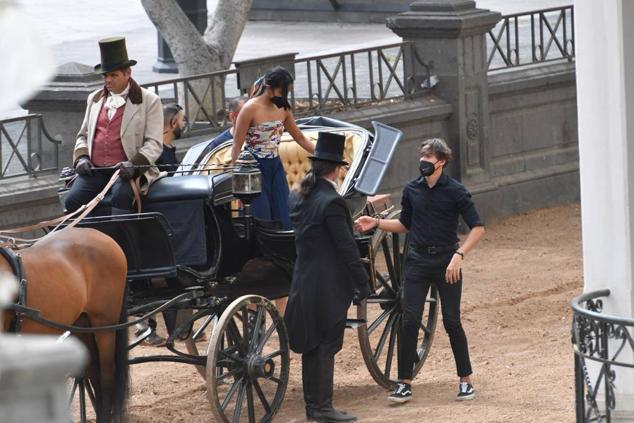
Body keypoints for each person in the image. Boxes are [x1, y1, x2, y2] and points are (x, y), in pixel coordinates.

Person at [355, 138, 485, 403]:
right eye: (422, 157)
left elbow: (478, 228)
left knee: (452, 322)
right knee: (410, 320)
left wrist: (459, 255)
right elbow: (404, 225)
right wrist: (376, 222)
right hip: (416, 262)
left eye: (429, 158)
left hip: (447, 263)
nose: (423, 162)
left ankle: (465, 380)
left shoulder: (456, 191)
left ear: (442, 162)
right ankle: (404, 383)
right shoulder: (412, 189)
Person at [285, 132, 369, 423]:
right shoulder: (332, 201)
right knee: (325, 344)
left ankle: (316, 407)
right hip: (328, 284)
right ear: (336, 168)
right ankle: (322, 408)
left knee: (313, 344)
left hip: (303, 279)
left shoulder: (299, 195)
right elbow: (347, 248)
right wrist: (363, 283)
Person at [64, 36, 163, 214]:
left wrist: (133, 165)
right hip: (95, 172)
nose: (108, 80)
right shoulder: (94, 99)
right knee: (72, 200)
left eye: (113, 75)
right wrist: (82, 158)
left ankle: (124, 240)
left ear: (128, 73)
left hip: (128, 172)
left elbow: (154, 144)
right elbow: (83, 136)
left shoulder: (149, 101)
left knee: (121, 199)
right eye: (105, 75)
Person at [231, 66, 314, 230]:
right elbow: (236, 145)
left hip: (275, 165)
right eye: (282, 91)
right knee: (261, 213)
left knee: (283, 211)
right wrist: (238, 180)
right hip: (253, 168)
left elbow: (299, 137)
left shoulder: (283, 108)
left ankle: (282, 251)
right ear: (269, 87)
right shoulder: (249, 109)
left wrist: (322, 154)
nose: (284, 95)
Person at [156, 103, 186, 175]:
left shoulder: (167, 148)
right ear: (173, 123)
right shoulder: (158, 153)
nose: (184, 124)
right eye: (183, 120)